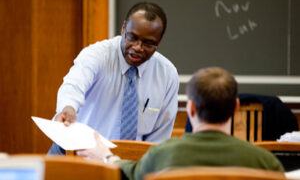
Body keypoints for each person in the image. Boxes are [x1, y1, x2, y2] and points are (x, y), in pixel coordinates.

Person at [76, 67, 284, 180]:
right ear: (236, 107)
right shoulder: (265, 163)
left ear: (191, 108)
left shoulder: (163, 156)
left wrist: (105, 155)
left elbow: (129, 173)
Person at [48, 2, 179, 154]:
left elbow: (159, 140)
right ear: (123, 28)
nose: (138, 47)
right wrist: (68, 107)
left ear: (159, 42)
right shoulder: (97, 55)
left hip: (130, 162)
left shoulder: (167, 75)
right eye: (132, 37)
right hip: (77, 152)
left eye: (148, 43)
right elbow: (74, 85)